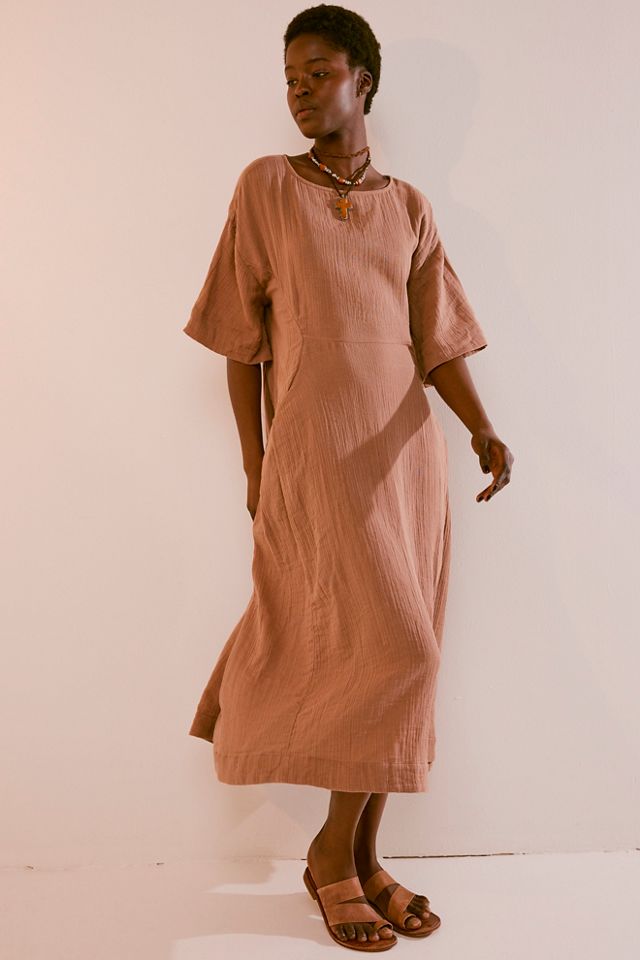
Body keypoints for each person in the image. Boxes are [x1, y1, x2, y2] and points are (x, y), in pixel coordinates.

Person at [183, 3, 514, 952]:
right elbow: (239, 343)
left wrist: (482, 427)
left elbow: (436, 340)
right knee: (388, 650)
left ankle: (363, 858)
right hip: (315, 457)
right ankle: (332, 854)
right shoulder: (265, 187)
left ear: (362, 82)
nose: (299, 91)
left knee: (403, 654)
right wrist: (256, 467)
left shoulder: (408, 206)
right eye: (290, 77)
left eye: (318, 73)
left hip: (404, 460)